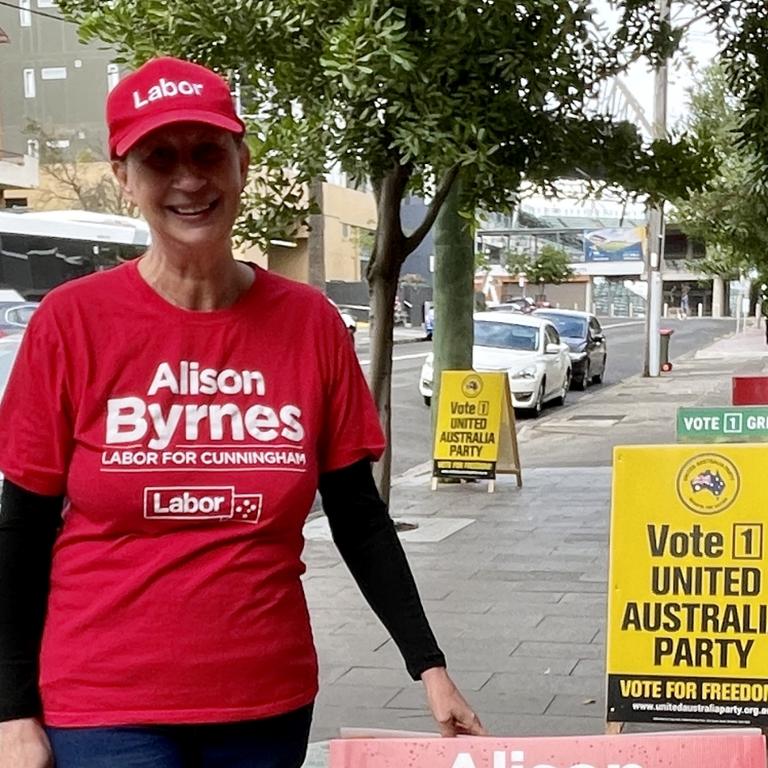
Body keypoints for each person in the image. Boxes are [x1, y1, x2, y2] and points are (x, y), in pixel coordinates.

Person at [0, 57, 485, 768]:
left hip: (266, 700)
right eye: (159, 158)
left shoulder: (311, 325)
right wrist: (12, 711)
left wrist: (429, 666)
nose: (189, 178)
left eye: (208, 152)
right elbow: (21, 531)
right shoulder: (72, 324)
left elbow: (357, 515)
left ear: (242, 164)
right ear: (123, 177)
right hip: (103, 703)